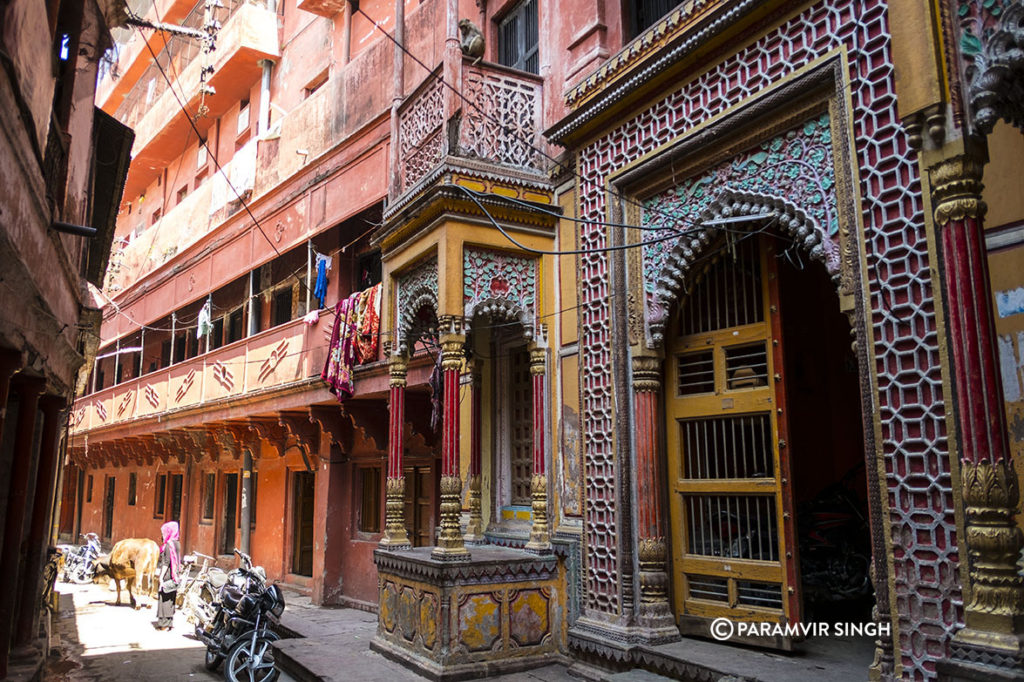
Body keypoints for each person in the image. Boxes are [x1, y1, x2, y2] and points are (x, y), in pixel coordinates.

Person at [155, 521, 181, 630]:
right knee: (171, 598)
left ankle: (164, 624)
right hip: (175, 575)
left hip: (167, 574)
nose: (163, 534)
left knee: (164, 597)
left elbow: (165, 563)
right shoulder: (177, 543)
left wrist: (160, 577)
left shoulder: (168, 546)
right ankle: (169, 623)